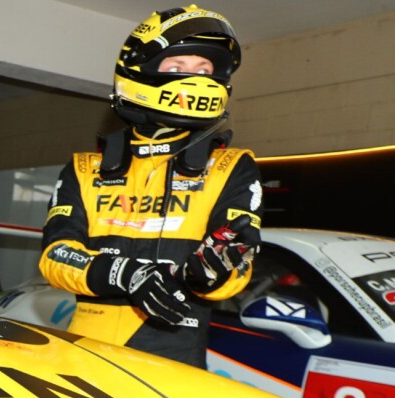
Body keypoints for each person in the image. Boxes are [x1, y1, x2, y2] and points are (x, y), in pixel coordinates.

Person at [38, 5, 263, 368]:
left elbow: (237, 265)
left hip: (174, 352)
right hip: (84, 352)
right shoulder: (84, 168)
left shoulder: (230, 166)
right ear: (139, 72)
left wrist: (210, 274)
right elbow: (55, 256)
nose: (196, 79)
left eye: (205, 70)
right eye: (177, 68)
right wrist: (125, 273)